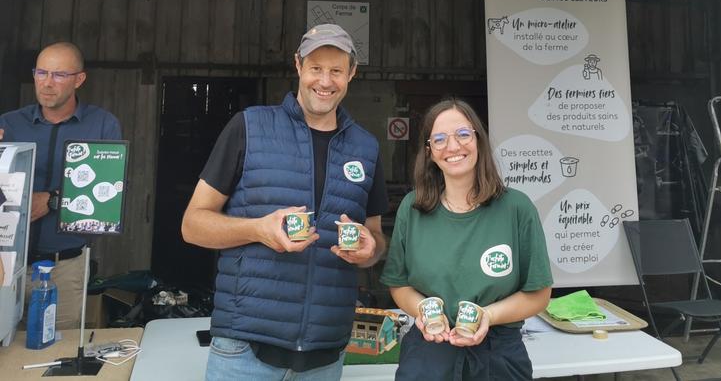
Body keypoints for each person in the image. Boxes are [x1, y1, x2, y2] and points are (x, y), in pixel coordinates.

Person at [182, 23, 388, 381]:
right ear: (298, 65)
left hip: (325, 353)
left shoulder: (365, 147)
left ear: (352, 74)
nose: (325, 81)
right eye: (316, 68)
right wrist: (259, 230)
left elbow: (375, 235)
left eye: (336, 70)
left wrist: (370, 250)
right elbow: (192, 225)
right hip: (244, 349)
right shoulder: (248, 127)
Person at [381, 98, 552, 381]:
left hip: (498, 359)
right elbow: (398, 285)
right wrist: (423, 313)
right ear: (430, 152)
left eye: (463, 134)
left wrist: (489, 316)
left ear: (479, 140)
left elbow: (539, 294)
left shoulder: (517, 208)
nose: (453, 146)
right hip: (427, 357)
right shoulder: (412, 208)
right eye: (439, 139)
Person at [0, 42, 122, 329]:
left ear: (79, 79)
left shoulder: (103, 125)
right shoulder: (9, 124)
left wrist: (53, 200)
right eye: (41, 73)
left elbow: (110, 195)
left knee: (56, 355)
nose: (47, 83)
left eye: (59, 75)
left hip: (64, 269)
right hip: (5, 265)